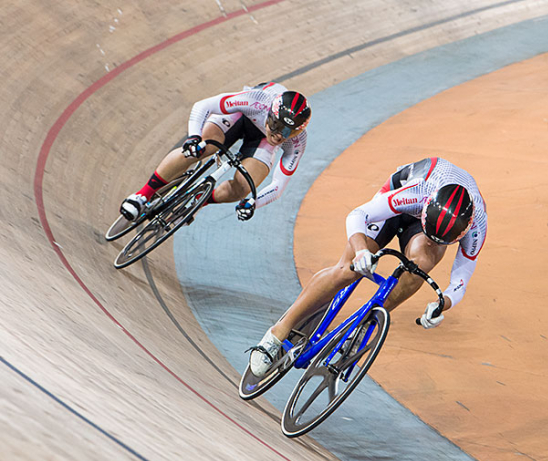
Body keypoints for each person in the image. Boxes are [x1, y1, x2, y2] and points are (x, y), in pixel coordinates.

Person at [248, 156, 487, 376]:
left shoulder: (476, 225)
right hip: (401, 195)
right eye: (434, 235)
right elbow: (357, 215)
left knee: (422, 263)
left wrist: (440, 304)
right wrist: (362, 252)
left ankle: (367, 323)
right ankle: (277, 333)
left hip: (431, 223)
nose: (436, 242)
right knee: (346, 270)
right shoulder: (417, 194)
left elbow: (460, 281)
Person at [119, 81, 311, 222]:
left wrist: (253, 202)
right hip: (240, 117)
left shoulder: (297, 142)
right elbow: (203, 105)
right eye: (276, 126)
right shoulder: (256, 101)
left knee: (244, 187)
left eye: (288, 132)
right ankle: (142, 195)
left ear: (298, 130)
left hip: (260, 141)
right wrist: (194, 137)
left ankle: (198, 202)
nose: (279, 136)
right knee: (202, 148)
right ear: (270, 113)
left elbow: (278, 186)